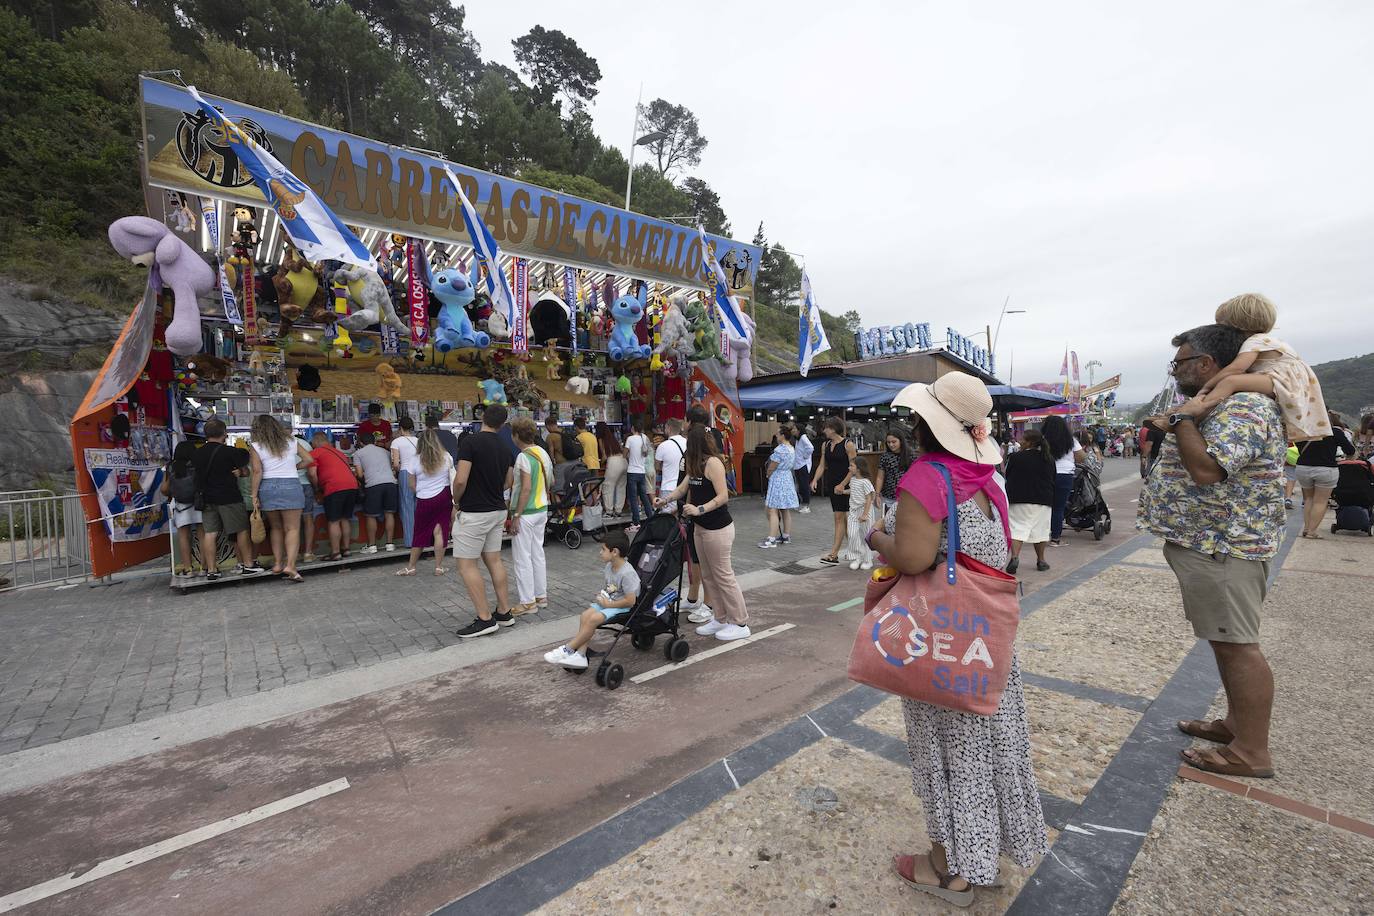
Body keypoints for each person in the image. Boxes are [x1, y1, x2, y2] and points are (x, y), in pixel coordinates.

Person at [868, 372, 1047, 904]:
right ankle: (983, 856)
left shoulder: (927, 477)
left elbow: (914, 557)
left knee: (947, 751)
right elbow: (999, 551)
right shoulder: (987, 476)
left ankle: (949, 868)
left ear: (925, 425)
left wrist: (876, 536)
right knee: (989, 747)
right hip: (987, 640)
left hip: (944, 641)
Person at [1139, 323, 1286, 780]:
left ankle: (1251, 752)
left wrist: (1183, 419)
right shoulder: (1222, 403)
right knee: (1225, 641)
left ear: (1205, 363)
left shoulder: (1245, 406)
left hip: (1224, 545)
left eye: (1179, 362)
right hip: (1210, 542)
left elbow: (1207, 470)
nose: (1175, 370)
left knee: (1238, 646)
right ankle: (1236, 725)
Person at [1189, 293, 1331, 441]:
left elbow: (1236, 369)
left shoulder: (1254, 341)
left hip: (1283, 381)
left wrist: (1208, 386)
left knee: (1230, 382)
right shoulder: (1268, 339)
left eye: (1222, 325)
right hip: (1290, 381)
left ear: (1237, 322)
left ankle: (1197, 414)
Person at [657, 427, 750, 641]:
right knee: (708, 576)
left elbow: (723, 496)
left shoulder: (713, 463)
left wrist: (700, 509)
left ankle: (740, 622)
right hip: (700, 528)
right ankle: (720, 618)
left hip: (718, 528)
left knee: (723, 576)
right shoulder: (695, 464)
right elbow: (682, 489)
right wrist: (665, 500)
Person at [453, 405, 517, 639]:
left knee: (466, 565)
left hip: (474, 512)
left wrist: (456, 500)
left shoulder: (470, 442)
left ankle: (484, 618)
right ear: (503, 424)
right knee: (494, 560)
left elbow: (461, 479)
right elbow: (509, 481)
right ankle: (504, 611)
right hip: (497, 510)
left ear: (482, 417)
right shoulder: (506, 447)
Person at [542, 530, 639, 669]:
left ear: (614, 552)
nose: (600, 552)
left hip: (621, 606)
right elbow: (611, 588)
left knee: (593, 619)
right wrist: (603, 595)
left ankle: (567, 649)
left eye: (603, 549)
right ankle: (580, 655)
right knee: (585, 615)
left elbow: (631, 601)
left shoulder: (627, 573)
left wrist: (608, 604)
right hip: (610, 602)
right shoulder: (609, 566)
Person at [192, 419, 264, 581]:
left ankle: (212, 570)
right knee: (241, 530)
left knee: (210, 533)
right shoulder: (230, 452)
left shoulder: (197, 453)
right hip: (229, 497)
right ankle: (248, 565)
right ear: (224, 433)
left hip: (206, 499)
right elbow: (245, 462)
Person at [248, 415, 311, 581]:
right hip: (291, 485)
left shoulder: (256, 446)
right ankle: (290, 565)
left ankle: (277, 563)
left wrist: (254, 494)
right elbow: (309, 459)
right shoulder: (291, 441)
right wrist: (294, 467)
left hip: (268, 487)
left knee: (275, 527)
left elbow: (257, 471)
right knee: (292, 528)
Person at [507, 418, 552, 615]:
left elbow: (525, 488)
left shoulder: (523, 457)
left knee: (522, 557)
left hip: (526, 512)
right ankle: (541, 596)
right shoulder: (542, 453)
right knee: (537, 554)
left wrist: (516, 515)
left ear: (516, 435)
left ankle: (527, 602)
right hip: (541, 509)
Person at [395, 429, 454, 577]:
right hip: (443, 496)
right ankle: (439, 567)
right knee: (440, 531)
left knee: (420, 532)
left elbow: (411, 484)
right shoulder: (446, 456)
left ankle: (411, 567)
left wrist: (421, 492)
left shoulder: (415, 459)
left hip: (424, 499)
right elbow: (451, 477)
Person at [1290, 412, 1355, 538]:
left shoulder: (1304, 431)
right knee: (1320, 501)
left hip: (1303, 467)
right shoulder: (1334, 432)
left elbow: (1298, 446)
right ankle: (1312, 531)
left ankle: (1306, 528)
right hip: (1326, 469)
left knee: (1308, 499)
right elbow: (1350, 450)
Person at [1003, 429, 1055, 574]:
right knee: (1041, 531)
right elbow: (1053, 479)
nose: (1020, 441)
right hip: (1043, 499)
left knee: (1017, 529)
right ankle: (1041, 560)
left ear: (1030, 442)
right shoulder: (1048, 458)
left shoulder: (1016, 457)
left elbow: (1008, 475)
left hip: (1018, 498)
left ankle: (1014, 557)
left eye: (1023, 439)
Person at [811, 417, 857, 565]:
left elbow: (853, 468)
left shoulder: (848, 444)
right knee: (842, 518)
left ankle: (834, 554)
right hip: (832, 485)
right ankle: (855, 549)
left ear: (833, 429)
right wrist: (815, 479)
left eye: (826, 427)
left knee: (839, 518)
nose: (824, 430)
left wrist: (843, 484)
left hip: (845, 485)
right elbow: (822, 465)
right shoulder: (825, 445)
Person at [310, 431, 359, 560]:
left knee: (334, 521)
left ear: (315, 442)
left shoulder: (315, 452)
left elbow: (312, 473)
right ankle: (346, 549)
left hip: (334, 487)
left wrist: (317, 489)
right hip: (352, 486)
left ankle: (336, 553)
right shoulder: (340, 453)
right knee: (345, 518)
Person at [161, 441, 202, 578]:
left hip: (180, 506)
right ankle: (205, 567)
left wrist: (173, 491)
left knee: (184, 537)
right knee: (202, 535)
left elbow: (164, 489)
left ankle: (188, 569)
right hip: (198, 503)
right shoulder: (198, 464)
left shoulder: (171, 467)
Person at [352, 432, 398, 553]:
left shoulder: (358, 454)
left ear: (360, 443)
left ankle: (372, 546)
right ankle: (390, 544)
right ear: (374, 441)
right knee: (389, 513)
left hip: (373, 485)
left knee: (371, 515)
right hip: (391, 484)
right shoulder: (385, 452)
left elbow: (359, 474)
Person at [1042, 415, 1083, 546]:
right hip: (1065, 475)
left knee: (1044, 506)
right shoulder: (1071, 440)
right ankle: (1055, 538)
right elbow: (1081, 457)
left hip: (1045, 474)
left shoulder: (1042, 440)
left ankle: (1040, 537)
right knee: (1058, 507)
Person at [759, 424, 799, 548]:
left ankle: (771, 539)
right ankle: (786, 536)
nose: (776, 436)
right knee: (785, 509)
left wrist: (768, 474)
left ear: (782, 435)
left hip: (778, 479)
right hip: (787, 478)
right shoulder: (791, 448)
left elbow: (772, 467)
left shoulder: (780, 449)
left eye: (778, 434)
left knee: (773, 509)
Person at [841, 459, 877, 570]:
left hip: (865, 510)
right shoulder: (852, 480)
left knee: (866, 535)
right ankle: (857, 556)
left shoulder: (866, 482)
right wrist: (843, 492)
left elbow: (869, 499)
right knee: (852, 534)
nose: (849, 468)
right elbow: (853, 491)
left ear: (858, 468)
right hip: (853, 511)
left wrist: (865, 514)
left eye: (851, 466)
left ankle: (868, 560)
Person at [391, 416, 420, 547]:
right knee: (419, 504)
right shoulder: (418, 441)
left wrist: (396, 470)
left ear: (400, 428)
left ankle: (410, 541)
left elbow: (396, 464)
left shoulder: (396, 442)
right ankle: (422, 538)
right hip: (419, 474)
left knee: (407, 506)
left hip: (405, 473)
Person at [874, 429, 914, 519]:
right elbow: (880, 477)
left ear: (901, 441)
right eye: (888, 442)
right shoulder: (885, 457)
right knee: (887, 521)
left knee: (904, 522)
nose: (891, 445)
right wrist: (877, 494)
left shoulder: (911, 456)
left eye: (894, 442)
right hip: (888, 496)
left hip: (906, 496)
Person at [295, 434, 321, 562]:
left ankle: (290, 555)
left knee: (289, 523)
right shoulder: (305, 445)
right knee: (308, 518)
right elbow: (312, 470)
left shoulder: (276, 443)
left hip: (288, 485)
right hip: (305, 484)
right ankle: (308, 553)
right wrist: (316, 489)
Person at [623, 416, 653, 525]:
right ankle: (651, 517)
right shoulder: (645, 438)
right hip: (642, 471)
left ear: (633, 428)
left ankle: (636, 521)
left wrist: (629, 457)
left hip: (632, 472)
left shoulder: (630, 439)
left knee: (633, 498)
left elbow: (624, 454)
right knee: (644, 496)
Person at [654, 419, 687, 511]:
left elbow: (657, 467)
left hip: (668, 487)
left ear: (669, 428)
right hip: (685, 485)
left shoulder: (663, 446)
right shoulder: (687, 443)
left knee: (668, 516)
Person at [598, 422, 627, 516]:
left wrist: (600, 464)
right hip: (623, 461)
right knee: (621, 487)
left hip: (613, 463)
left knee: (607, 487)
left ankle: (609, 511)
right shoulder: (613, 438)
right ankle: (618, 510)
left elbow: (604, 456)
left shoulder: (601, 439)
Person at [792, 423, 814, 514]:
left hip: (803, 465)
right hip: (798, 465)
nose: (792, 430)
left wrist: (805, 456)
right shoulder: (798, 439)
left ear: (799, 430)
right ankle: (802, 504)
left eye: (794, 428)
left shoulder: (803, 437)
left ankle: (806, 505)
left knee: (804, 486)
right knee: (800, 486)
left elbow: (810, 448)